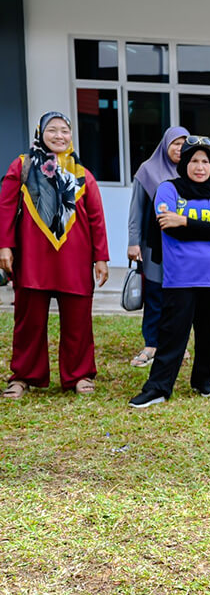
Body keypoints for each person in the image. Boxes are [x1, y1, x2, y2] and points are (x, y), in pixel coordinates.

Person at [0, 112, 109, 399]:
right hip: (32, 258)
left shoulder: (82, 173)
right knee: (29, 322)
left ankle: (79, 374)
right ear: (40, 133)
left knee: (78, 322)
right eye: (52, 130)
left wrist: (100, 257)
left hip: (74, 259)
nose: (59, 135)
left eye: (64, 130)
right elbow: (6, 208)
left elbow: (96, 218)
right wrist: (4, 246)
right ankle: (23, 376)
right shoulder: (22, 166)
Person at [129, 137, 210, 408]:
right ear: (184, 163)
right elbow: (169, 227)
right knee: (172, 336)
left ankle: (204, 381)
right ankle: (158, 388)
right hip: (180, 278)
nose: (200, 167)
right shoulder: (168, 189)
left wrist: (184, 220)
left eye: (205, 161)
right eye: (194, 161)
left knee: (208, 335)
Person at [127, 125, 188, 368]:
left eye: (184, 144)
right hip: (154, 245)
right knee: (155, 295)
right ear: (165, 145)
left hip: (183, 246)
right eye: (176, 143)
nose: (180, 148)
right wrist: (133, 242)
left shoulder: (192, 170)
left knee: (179, 298)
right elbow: (137, 209)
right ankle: (152, 344)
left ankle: (176, 344)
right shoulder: (148, 171)